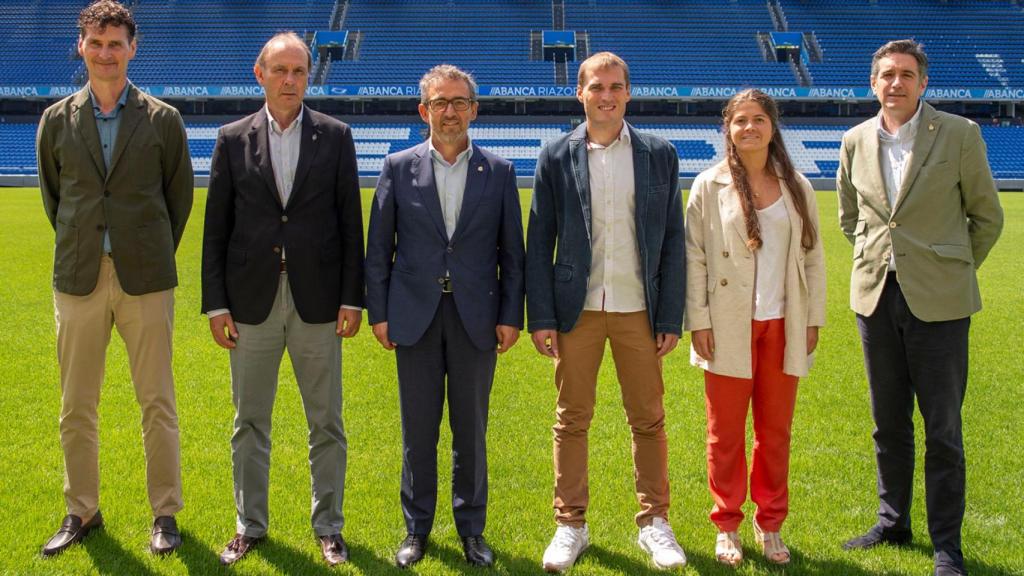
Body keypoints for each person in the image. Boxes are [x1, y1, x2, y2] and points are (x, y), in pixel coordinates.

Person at [837, 40, 1003, 576]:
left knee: (943, 429)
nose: (896, 83)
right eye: (886, 74)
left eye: (906, 74)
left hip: (941, 302)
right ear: (873, 82)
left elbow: (987, 217)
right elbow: (849, 217)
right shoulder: (854, 140)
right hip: (876, 298)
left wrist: (949, 271)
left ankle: (946, 545)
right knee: (887, 423)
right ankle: (892, 520)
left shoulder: (959, 134)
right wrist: (881, 262)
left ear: (922, 83)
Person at [200, 32, 364, 566]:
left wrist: (352, 298)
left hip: (318, 300)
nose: (290, 80)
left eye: (299, 71)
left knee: (326, 422)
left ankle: (329, 527)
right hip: (251, 302)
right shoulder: (231, 138)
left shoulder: (336, 136)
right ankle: (250, 525)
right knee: (249, 421)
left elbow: (348, 223)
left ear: (308, 76)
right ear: (260, 74)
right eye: (280, 70)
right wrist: (216, 303)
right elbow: (216, 227)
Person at [36, 0, 192, 557]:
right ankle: (82, 510)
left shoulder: (163, 119)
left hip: (145, 279)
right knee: (76, 404)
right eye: (96, 43)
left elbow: (178, 200)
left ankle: (165, 514)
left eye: (116, 43)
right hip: (77, 277)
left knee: (157, 401)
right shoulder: (56, 119)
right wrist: (92, 246)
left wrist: (142, 250)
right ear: (82, 47)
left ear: (133, 47)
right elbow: (57, 201)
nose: (106, 53)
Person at [527, 52, 687, 572]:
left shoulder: (659, 153)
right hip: (577, 310)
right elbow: (539, 243)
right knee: (572, 419)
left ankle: (655, 523)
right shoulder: (555, 156)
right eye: (597, 86)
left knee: (648, 419)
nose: (607, 95)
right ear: (581, 93)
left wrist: (668, 318)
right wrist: (543, 315)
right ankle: (570, 523)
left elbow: (672, 243)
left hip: (639, 307)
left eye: (617, 86)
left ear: (628, 92)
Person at [365, 64, 525, 569]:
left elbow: (512, 254)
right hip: (414, 316)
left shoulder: (499, 172)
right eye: (440, 103)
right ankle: (416, 530)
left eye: (459, 102)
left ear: (474, 110)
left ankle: (471, 530)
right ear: (423, 111)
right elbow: (378, 249)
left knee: (470, 431)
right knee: (419, 431)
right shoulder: (397, 166)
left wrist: (510, 315)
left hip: (476, 317)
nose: (450, 111)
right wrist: (380, 313)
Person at [685, 89, 825, 567]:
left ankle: (771, 524)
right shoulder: (708, 184)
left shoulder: (797, 185)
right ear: (728, 128)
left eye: (759, 119)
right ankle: (727, 524)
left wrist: (813, 319)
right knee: (724, 434)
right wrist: (698, 321)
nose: (749, 128)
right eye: (740, 120)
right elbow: (695, 258)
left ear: (772, 126)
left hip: (783, 323)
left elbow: (813, 256)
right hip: (727, 325)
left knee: (775, 431)